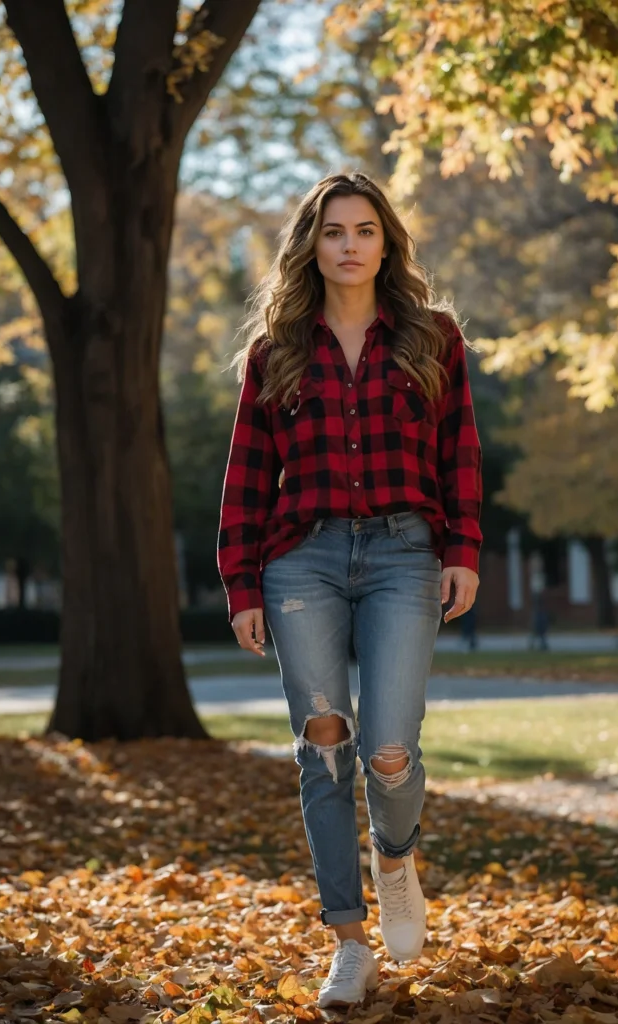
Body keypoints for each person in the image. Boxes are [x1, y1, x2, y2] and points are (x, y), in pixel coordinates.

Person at [217, 172, 482, 1009]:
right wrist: (242, 584)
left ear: (385, 242)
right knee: (324, 745)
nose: (349, 245)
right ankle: (347, 941)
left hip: (406, 552)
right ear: (312, 245)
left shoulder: (431, 337)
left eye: (364, 230)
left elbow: (462, 452)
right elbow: (247, 475)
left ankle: (394, 858)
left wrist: (464, 548)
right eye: (333, 231)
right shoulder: (276, 351)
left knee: (389, 748)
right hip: (303, 560)